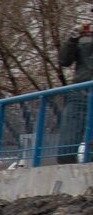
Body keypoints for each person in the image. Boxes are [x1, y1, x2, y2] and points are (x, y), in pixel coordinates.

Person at [59, 10, 93, 162]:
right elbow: (64, 61)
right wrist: (72, 39)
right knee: (66, 150)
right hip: (80, 92)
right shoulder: (84, 36)